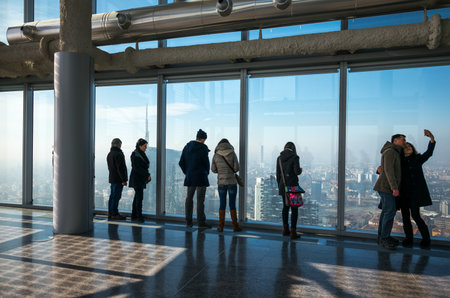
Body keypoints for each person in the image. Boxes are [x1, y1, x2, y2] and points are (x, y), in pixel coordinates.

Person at [400, 129, 436, 248]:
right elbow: (389, 171)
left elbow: (429, 153)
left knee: (416, 216)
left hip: (415, 194)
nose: (408, 147)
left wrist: (431, 139)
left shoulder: (417, 159)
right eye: (405, 146)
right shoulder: (399, 161)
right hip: (403, 193)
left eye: (410, 146)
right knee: (405, 217)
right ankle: (408, 239)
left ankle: (426, 240)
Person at [374, 134, 406, 250]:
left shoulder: (393, 151)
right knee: (390, 212)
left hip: (385, 187)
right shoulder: (391, 152)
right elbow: (389, 171)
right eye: (403, 140)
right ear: (395, 140)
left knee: (387, 212)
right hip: (386, 187)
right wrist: (394, 187)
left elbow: (385, 169)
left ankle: (383, 237)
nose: (404, 142)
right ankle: (384, 238)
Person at [179, 129, 211, 228]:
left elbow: (181, 162)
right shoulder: (203, 147)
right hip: (201, 176)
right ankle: (201, 222)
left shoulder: (187, 147)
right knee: (200, 200)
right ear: (203, 139)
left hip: (190, 176)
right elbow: (206, 163)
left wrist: (187, 172)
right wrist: (206, 172)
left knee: (189, 199)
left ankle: (188, 222)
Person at [211, 138, 242, 232]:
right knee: (232, 204)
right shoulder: (232, 153)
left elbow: (213, 169)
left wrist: (220, 172)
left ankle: (220, 226)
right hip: (232, 182)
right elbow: (236, 168)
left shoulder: (216, 155)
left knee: (222, 204)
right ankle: (235, 226)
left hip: (221, 183)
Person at [276, 142, 302, 239]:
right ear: (293, 148)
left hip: (283, 186)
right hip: (293, 187)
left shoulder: (279, 158)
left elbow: (278, 175)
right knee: (294, 209)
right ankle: (293, 232)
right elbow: (297, 172)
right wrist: (300, 170)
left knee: (285, 207)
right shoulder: (295, 157)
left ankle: (285, 229)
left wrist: (280, 185)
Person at [129, 138, 151, 223]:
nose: (146, 148)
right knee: (139, 197)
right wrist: (147, 175)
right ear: (140, 146)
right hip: (137, 179)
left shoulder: (140, 153)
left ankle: (134, 215)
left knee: (137, 197)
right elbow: (137, 168)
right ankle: (139, 216)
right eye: (145, 146)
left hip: (139, 178)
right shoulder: (135, 154)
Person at [106, 138, 128, 220]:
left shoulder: (110, 154)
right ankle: (114, 214)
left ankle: (110, 213)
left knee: (112, 196)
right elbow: (120, 168)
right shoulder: (118, 154)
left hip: (112, 178)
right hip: (118, 179)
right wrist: (124, 180)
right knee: (116, 197)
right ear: (119, 145)